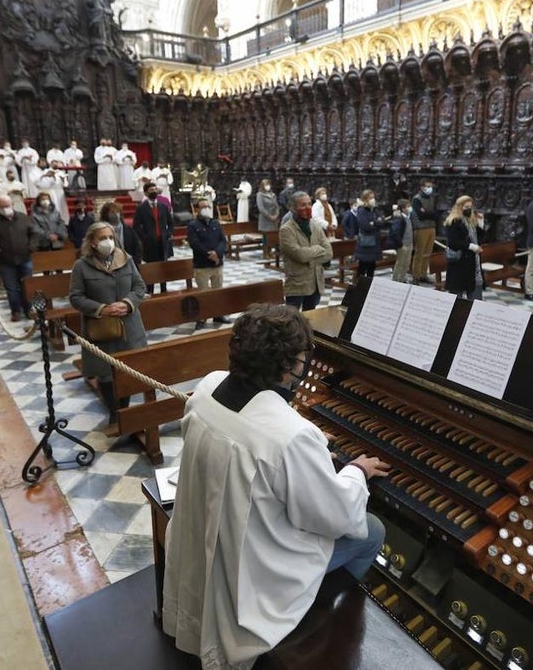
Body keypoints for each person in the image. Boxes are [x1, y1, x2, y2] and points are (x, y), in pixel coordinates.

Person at [162, 303, 390, 669]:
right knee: (372, 532)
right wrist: (356, 472)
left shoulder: (207, 386)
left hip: (200, 538)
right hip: (250, 575)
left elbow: (254, 427)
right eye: (301, 359)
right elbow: (334, 516)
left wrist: (309, 442)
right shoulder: (290, 437)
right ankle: (315, 628)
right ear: (289, 365)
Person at [69, 222, 149, 423]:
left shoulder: (126, 259)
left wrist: (127, 303)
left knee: (126, 369)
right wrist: (101, 309)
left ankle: (124, 411)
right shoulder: (81, 266)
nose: (108, 241)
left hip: (129, 325)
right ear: (93, 243)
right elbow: (76, 297)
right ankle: (114, 413)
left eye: (110, 237)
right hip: (101, 328)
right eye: (102, 238)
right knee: (104, 373)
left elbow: (139, 287)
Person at [0, 194, 41, 321]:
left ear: (12, 205)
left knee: (27, 285)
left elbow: (35, 233)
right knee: (11, 288)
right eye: (2, 207)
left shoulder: (24, 218)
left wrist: (31, 247)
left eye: (7, 206)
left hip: (25, 258)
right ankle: (15, 311)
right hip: (5, 260)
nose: (5, 209)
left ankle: (28, 309)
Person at [280, 191, 333, 311]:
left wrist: (310, 253)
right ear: (293, 208)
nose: (308, 208)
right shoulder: (286, 229)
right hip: (297, 284)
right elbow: (300, 255)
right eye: (303, 205)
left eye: (309, 204)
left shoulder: (315, 225)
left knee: (311, 319)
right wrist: (318, 249)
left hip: (315, 282)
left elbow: (329, 253)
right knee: (293, 320)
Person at [187, 198, 231, 329]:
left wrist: (218, 253)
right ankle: (202, 317)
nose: (206, 208)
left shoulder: (215, 223)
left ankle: (218, 314)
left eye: (208, 206)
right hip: (202, 265)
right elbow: (195, 244)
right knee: (203, 293)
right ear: (197, 210)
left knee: (218, 291)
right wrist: (210, 255)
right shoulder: (193, 225)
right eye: (203, 207)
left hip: (217, 264)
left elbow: (223, 241)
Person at [133, 182, 174, 294]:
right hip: (149, 243)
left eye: (155, 189)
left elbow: (171, 223)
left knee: (163, 268)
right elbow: (136, 225)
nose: (154, 191)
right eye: (151, 190)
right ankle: (150, 291)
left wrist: (167, 234)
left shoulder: (163, 207)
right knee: (151, 269)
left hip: (163, 242)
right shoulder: (141, 208)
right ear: (146, 192)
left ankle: (164, 290)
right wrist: (145, 237)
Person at [444, 195, 486, 301]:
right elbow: (453, 242)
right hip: (459, 264)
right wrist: (470, 246)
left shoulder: (471, 221)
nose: (469, 209)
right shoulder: (454, 221)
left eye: (470, 207)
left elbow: (480, 239)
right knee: (457, 298)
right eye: (466, 207)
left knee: (475, 299)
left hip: (472, 263)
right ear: (459, 207)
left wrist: (481, 224)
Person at [353, 190, 388, 280]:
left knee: (372, 267)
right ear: (365, 199)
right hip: (366, 244)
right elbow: (366, 226)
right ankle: (360, 286)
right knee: (363, 266)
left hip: (374, 243)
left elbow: (382, 221)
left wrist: (374, 223)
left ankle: (369, 285)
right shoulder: (362, 210)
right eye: (371, 198)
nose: (373, 200)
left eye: (373, 197)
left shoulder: (374, 209)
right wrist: (376, 222)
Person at [410, 180, 440, 284]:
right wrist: (430, 214)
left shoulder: (431, 198)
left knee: (427, 253)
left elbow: (435, 214)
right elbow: (421, 215)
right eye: (427, 186)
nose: (429, 188)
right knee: (420, 253)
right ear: (422, 187)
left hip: (431, 227)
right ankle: (416, 275)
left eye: (430, 186)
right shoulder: (417, 199)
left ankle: (423, 274)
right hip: (421, 228)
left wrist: (428, 213)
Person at [99, 201, 142, 265]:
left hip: (129, 264)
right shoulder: (101, 231)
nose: (116, 214)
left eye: (117, 212)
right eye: (112, 212)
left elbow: (137, 250)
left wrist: (132, 263)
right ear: (106, 215)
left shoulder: (129, 231)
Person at [35, 156, 69, 221]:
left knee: (62, 208)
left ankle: (62, 220)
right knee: (54, 206)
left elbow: (66, 185)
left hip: (60, 192)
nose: (55, 164)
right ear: (50, 164)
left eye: (57, 162)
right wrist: (51, 177)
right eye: (54, 162)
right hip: (52, 192)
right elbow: (42, 183)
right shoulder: (46, 171)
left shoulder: (61, 172)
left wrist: (63, 180)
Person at [389, 197, 414, 284]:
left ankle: (402, 278)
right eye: (408, 206)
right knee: (400, 264)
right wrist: (400, 244)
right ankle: (395, 280)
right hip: (403, 245)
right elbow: (395, 233)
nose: (409, 208)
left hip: (409, 243)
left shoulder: (408, 217)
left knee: (406, 263)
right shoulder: (399, 218)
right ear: (403, 209)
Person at [256, 179, 280, 254]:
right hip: (265, 219)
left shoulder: (273, 195)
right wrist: (269, 216)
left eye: (268, 184)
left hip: (274, 219)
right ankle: (265, 252)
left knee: (272, 236)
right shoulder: (260, 195)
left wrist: (276, 214)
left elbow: (277, 206)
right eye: (266, 185)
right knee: (266, 237)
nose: (267, 186)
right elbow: (261, 208)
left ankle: (270, 252)